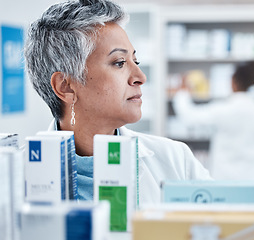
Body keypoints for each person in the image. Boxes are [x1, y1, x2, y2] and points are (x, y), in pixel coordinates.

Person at [24, 0, 211, 204]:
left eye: (135, 61)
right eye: (120, 63)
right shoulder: (14, 173)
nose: (140, 77)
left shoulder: (175, 160)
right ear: (66, 86)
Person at [173, 61, 254, 180]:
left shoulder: (223, 110)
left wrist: (182, 92)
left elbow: (189, 117)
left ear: (233, 83)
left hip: (225, 179)